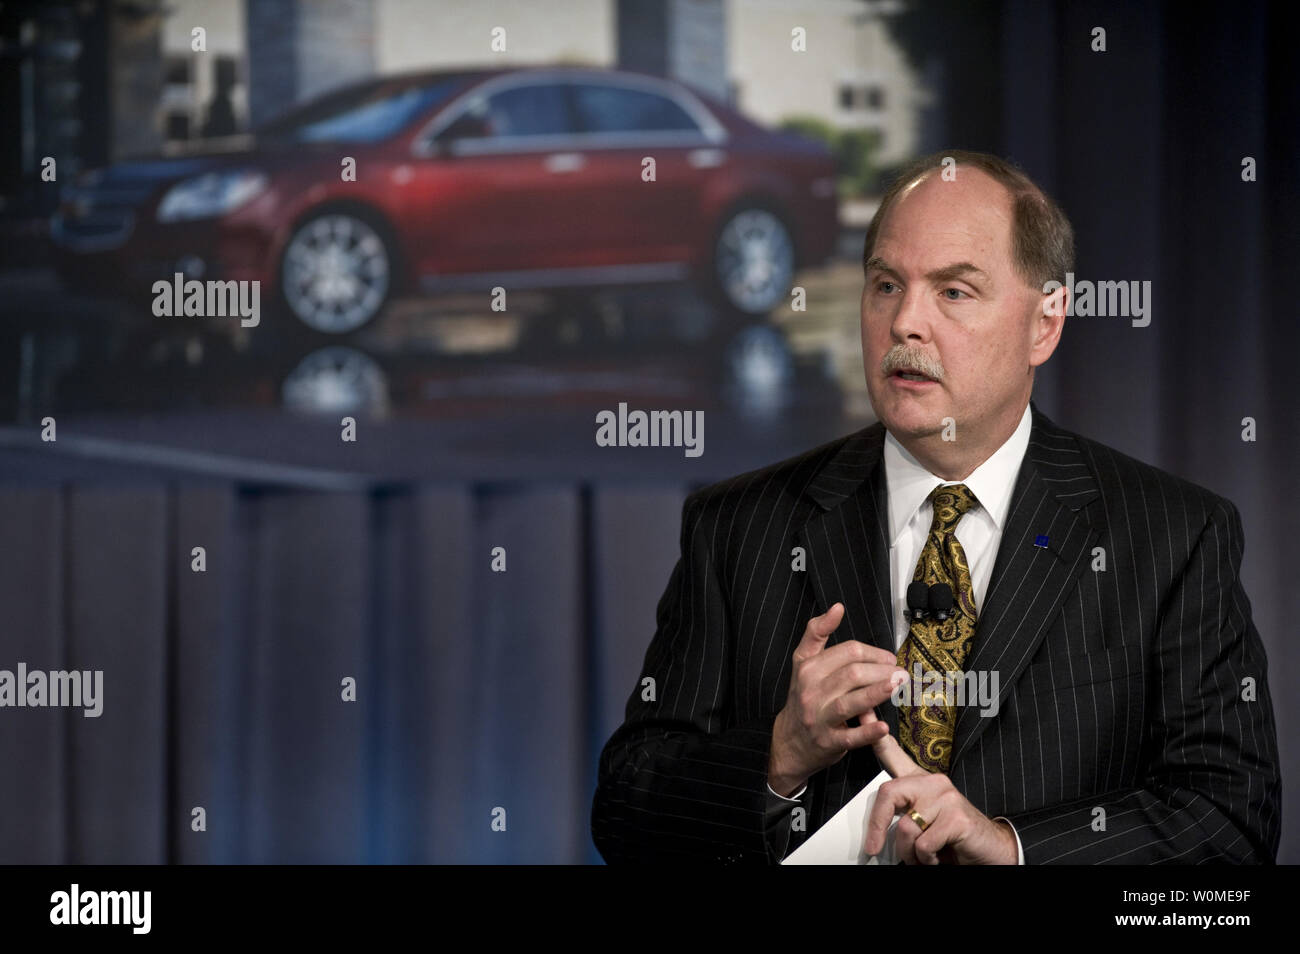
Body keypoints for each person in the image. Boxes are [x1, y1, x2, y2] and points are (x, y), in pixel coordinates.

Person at [590, 149, 1281, 864]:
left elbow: (1229, 820)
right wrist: (780, 755)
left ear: (1045, 323)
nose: (905, 323)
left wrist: (1010, 848)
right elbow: (626, 811)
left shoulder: (1172, 536)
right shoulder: (737, 529)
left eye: (953, 292)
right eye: (886, 285)